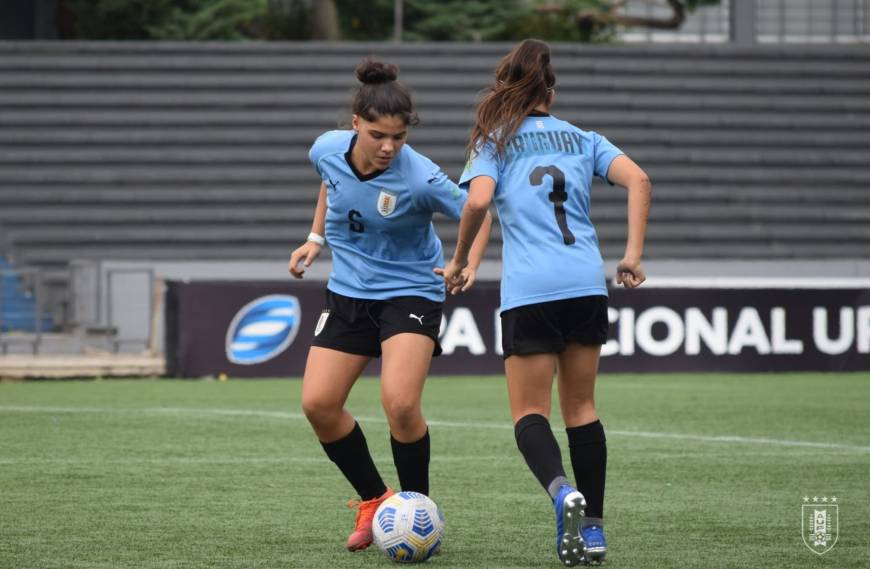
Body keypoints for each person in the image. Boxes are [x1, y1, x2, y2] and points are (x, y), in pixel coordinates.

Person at [441, 39, 651, 566]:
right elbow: (639, 180)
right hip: (585, 284)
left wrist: (461, 257)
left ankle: (562, 492)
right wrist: (631, 255)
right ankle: (595, 529)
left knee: (529, 413)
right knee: (582, 408)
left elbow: (479, 200)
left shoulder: (494, 138)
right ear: (550, 94)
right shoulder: (584, 138)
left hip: (531, 291)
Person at [289, 58, 492, 553]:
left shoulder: (419, 177)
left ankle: (417, 508)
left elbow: (478, 209)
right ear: (355, 124)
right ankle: (376, 501)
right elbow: (330, 183)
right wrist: (316, 236)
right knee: (318, 404)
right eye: (378, 135)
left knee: (400, 404)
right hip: (349, 291)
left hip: (410, 292)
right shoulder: (326, 149)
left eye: (398, 137)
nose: (388, 147)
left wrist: (467, 261)